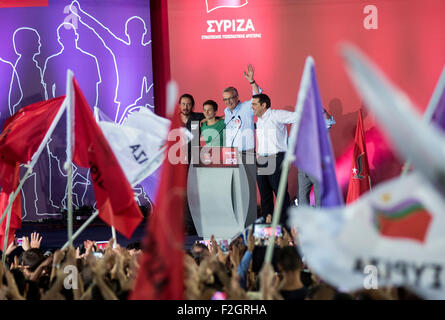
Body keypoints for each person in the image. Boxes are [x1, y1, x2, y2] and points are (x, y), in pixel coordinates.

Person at [222, 64, 262, 225]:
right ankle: (237, 221)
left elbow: (259, 98)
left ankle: (250, 222)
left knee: (249, 189)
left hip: (247, 153)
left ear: (237, 96)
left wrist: (252, 82)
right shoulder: (226, 112)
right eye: (225, 99)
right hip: (231, 155)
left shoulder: (246, 107)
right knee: (234, 190)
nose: (228, 102)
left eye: (231, 98)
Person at [252, 93, 293, 226]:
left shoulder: (276, 115)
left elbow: (297, 117)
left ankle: (284, 225)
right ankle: (267, 222)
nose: (251, 107)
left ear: (263, 105)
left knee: (280, 193)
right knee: (265, 194)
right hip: (262, 160)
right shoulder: (260, 119)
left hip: (277, 158)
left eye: (254, 104)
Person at [297, 108, 336, 207]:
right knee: (302, 196)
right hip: (302, 167)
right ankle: (304, 220)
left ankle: (320, 219)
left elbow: (329, 121)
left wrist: (322, 110)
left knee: (319, 197)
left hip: (315, 165)